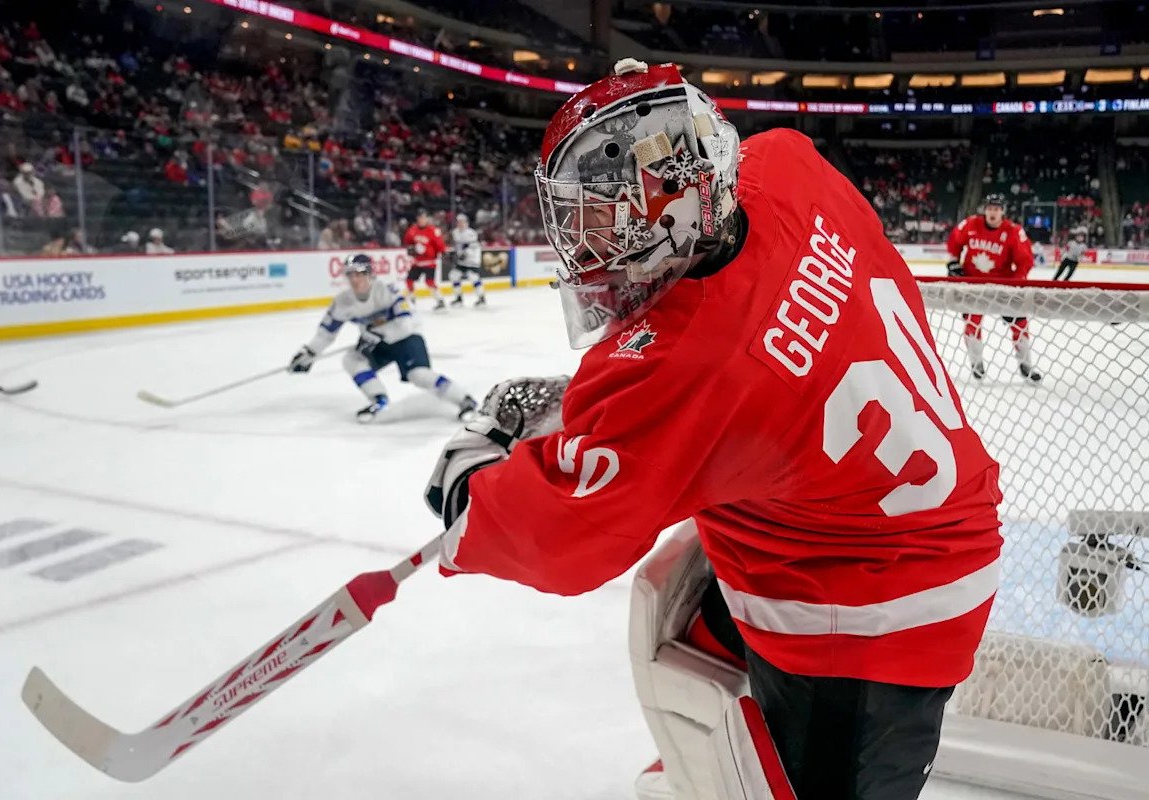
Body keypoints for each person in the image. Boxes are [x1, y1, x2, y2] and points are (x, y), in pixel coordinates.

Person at [423, 61, 1003, 800]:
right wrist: (601, 415)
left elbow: (558, 537)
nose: (586, 244)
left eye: (601, 215)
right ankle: (725, 757)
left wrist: (464, 484)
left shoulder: (682, 367)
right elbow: (759, 353)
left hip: (871, 616)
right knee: (692, 628)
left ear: (668, 207)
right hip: (880, 513)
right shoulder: (790, 165)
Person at [288, 254, 476, 422]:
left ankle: (464, 399)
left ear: (370, 274)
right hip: (377, 342)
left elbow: (406, 322)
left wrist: (377, 334)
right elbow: (326, 334)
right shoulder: (342, 302)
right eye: (350, 275)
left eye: (359, 274)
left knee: (418, 375)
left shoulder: (389, 291)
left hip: (406, 338)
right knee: (352, 359)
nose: (354, 279)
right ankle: (379, 400)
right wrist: (309, 353)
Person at [946, 193, 1041, 382]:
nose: (992, 212)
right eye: (989, 208)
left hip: (1002, 286)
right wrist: (953, 263)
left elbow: (1025, 261)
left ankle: (1025, 364)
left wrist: (1015, 284)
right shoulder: (970, 224)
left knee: (1019, 322)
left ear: (1002, 212)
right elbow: (954, 243)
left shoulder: (1013, 231)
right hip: (973, 284)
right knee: (972, 322)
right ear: (985, 210)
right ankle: (977, 363)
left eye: (996, 209)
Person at [402, 209, 446, 310]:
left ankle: (440, 300)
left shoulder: (433, 230)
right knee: (409, 281)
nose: (422, 220)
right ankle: (412, 300)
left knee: (429, 282)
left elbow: (439, 244)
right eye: (420, 218)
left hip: (429, 262)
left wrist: (443, 252)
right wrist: (410, 248)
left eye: (424, 218)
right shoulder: (412, 230)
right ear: (417, 219)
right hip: (417, 262)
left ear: (427, 219)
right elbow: (408, 242)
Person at [449, 213, 485, 307]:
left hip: (472, 260)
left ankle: (481, 298)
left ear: (467, 223)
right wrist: (454, 254)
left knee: (473, 277)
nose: (460, 223)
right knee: (453, 276)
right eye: (458, 222)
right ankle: (459, 299)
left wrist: (464, 254)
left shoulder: (471, 233)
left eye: (462, 222)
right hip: (462, 261)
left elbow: (472, 246)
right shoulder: (455, 232)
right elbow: (457, 246)